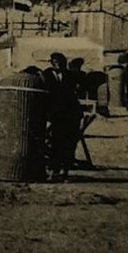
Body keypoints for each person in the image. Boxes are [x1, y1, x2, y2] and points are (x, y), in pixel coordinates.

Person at [43, 52, 80, 182]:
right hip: (52, 115)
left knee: (68, 144)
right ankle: (53, 170)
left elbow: (72, 95)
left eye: (61, 62)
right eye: (56, 62)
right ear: (52, 63)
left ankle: (65, 172)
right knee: (53, 144)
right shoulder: (45, 76)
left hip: (68, 116)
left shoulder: (69, 76)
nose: (59, 65)